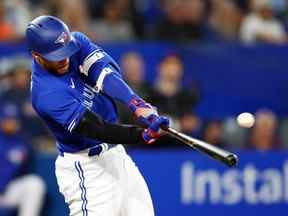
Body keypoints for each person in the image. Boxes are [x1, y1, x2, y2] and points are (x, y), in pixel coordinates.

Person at [25, 15, 170, 216]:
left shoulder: (75, 43)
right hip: (87, 168)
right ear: (36, 56)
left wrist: (136, 103)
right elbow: (95, 128)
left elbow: (105, 74)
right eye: (56, 56)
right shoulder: (46, 93)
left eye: (65, 51)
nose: (64, 59)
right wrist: (142, 135)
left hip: (117, 156)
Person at [0, 103, 46, 216]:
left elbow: (12, 169)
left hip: (8, 190)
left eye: (13, 119)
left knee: (35, 184)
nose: (10, 122)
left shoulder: (22, 141)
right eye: (6, 119)